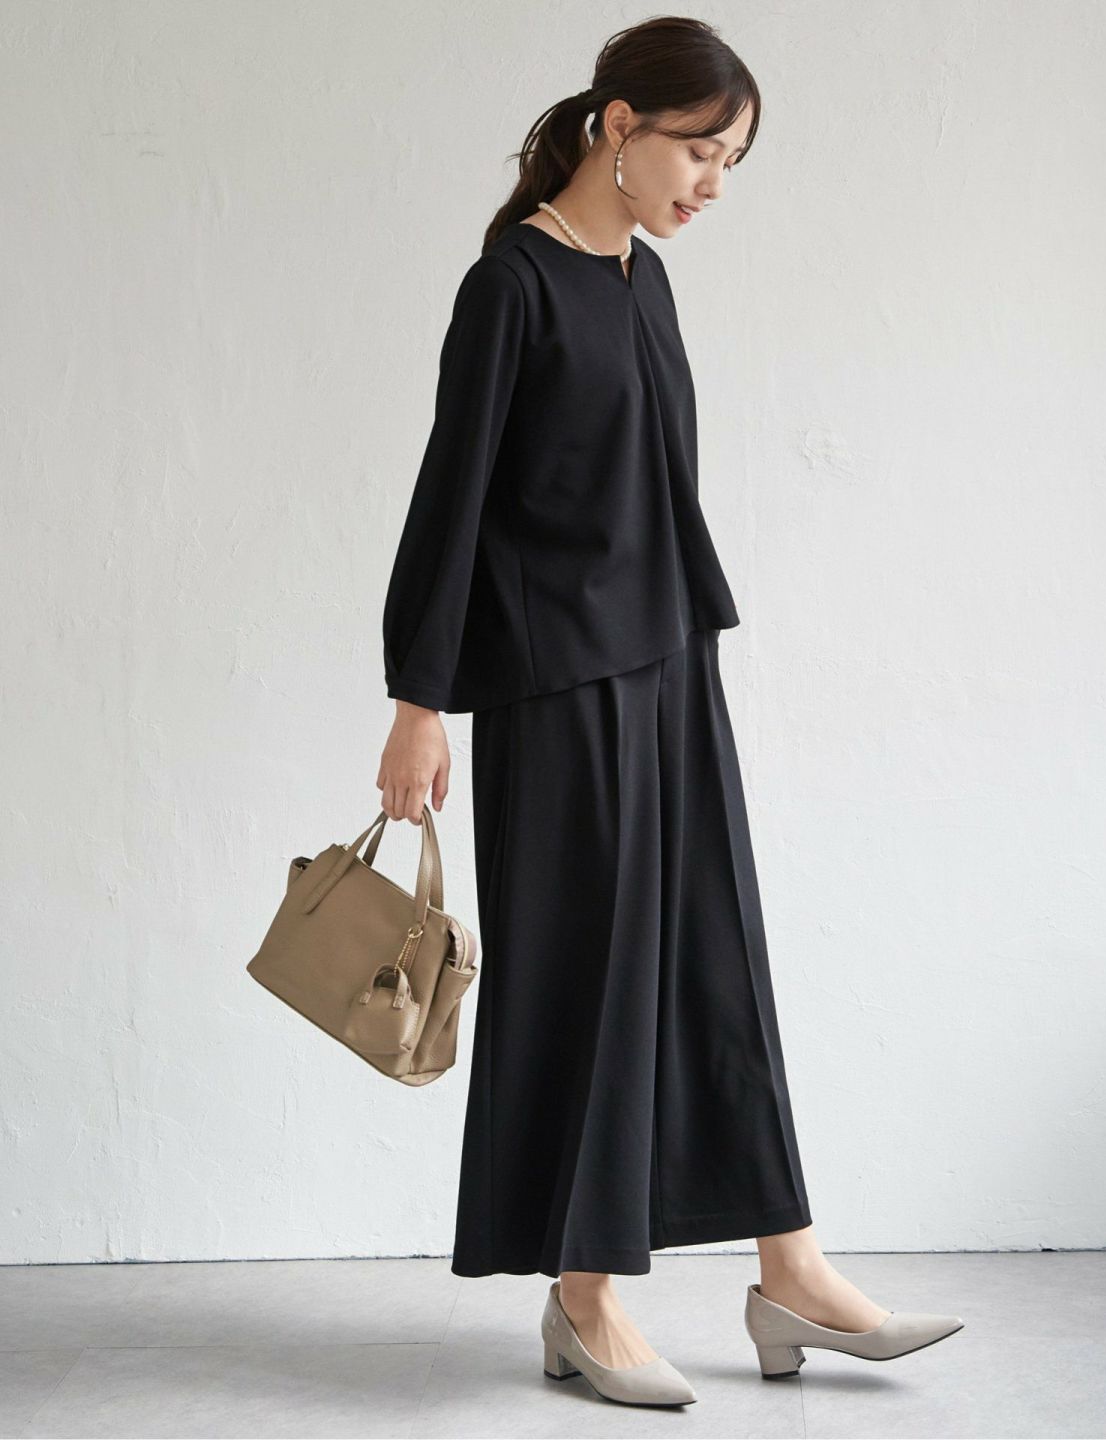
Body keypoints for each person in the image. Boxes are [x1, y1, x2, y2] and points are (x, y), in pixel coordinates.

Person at [377, 15, 962, 1409]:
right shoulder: (511, 286)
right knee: (587, 976)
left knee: (716, 958)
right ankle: (584, 1300)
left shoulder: (646, 282)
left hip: (672, 668)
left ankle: (790, 1267)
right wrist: (418, 704)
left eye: (733, 162)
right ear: (620, 127)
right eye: (702, 151)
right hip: (560, 687)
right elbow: (450, 500)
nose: (714, 183)